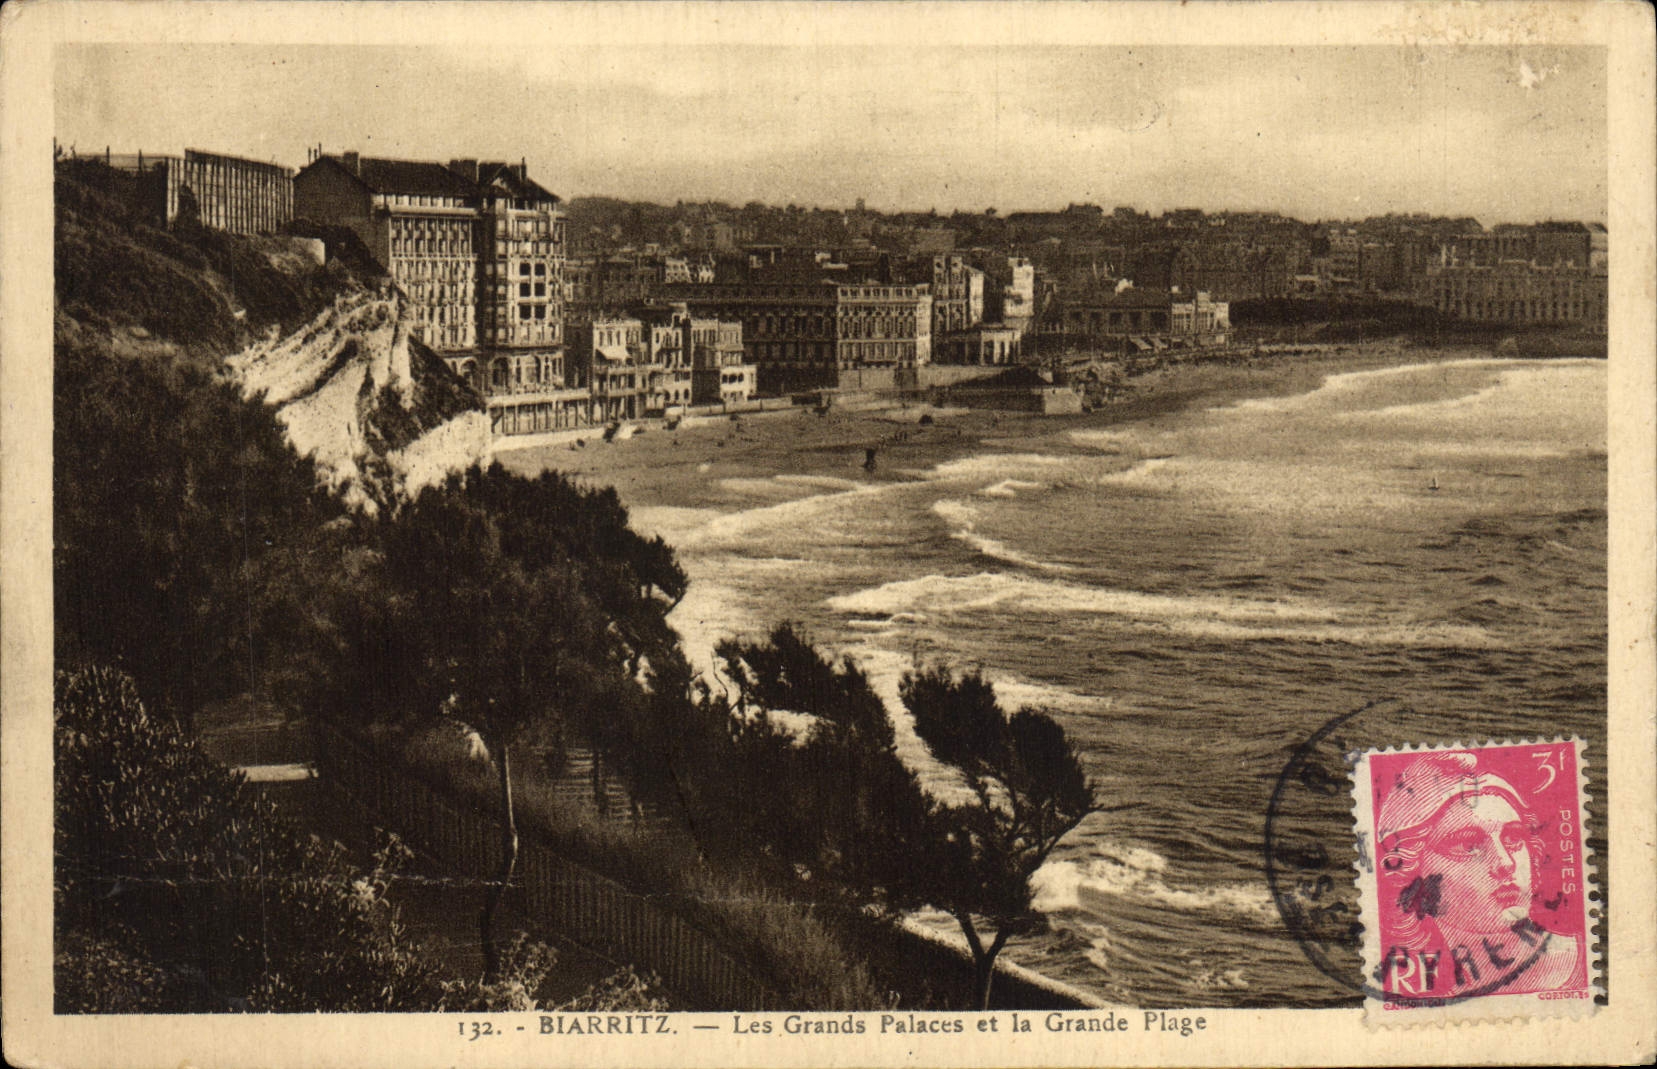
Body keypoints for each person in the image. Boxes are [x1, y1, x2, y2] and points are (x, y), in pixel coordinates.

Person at [1374, 750, 1584, 998]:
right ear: (1412, 874)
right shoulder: (1423, 990)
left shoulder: (1580, 965)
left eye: (1514, 839)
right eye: (1468, 846)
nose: (1505, 863)